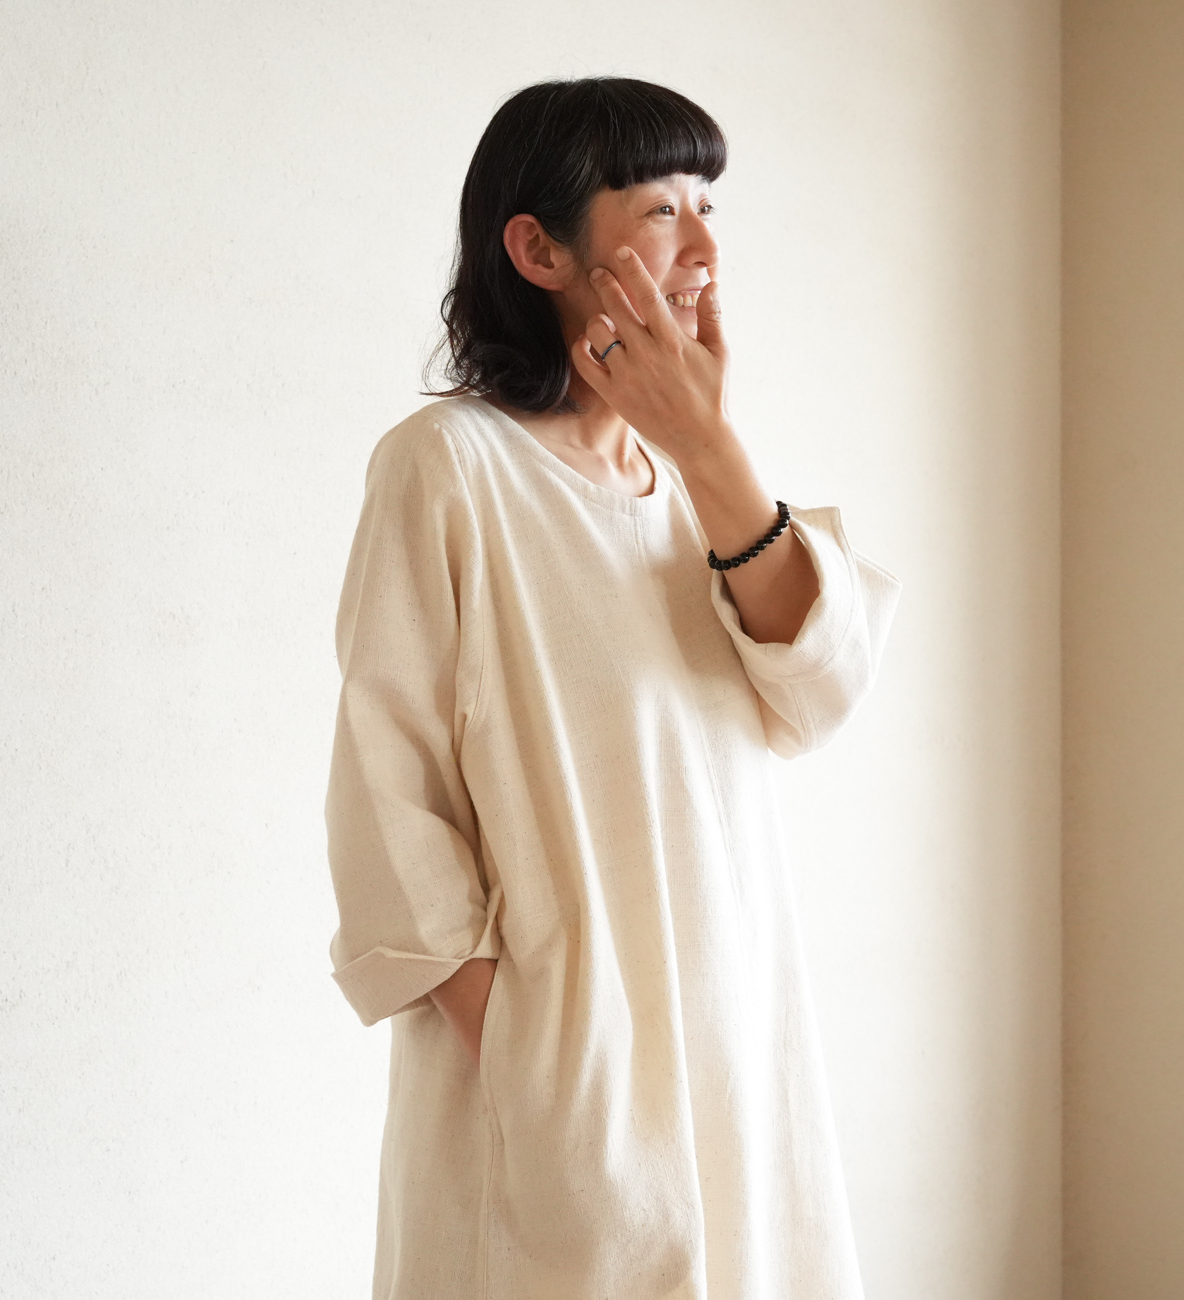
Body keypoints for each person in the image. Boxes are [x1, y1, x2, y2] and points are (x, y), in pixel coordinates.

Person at [324, 76, 901, 1300]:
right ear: (537, 249)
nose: (703, 248)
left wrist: (707, 446)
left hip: (738, 1054)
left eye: (708, 207)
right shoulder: (450, 467)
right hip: (556, 1077)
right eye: (660, 209)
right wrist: (531, 1053)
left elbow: (822, 691)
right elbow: (387, 793)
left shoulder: (693, 490)